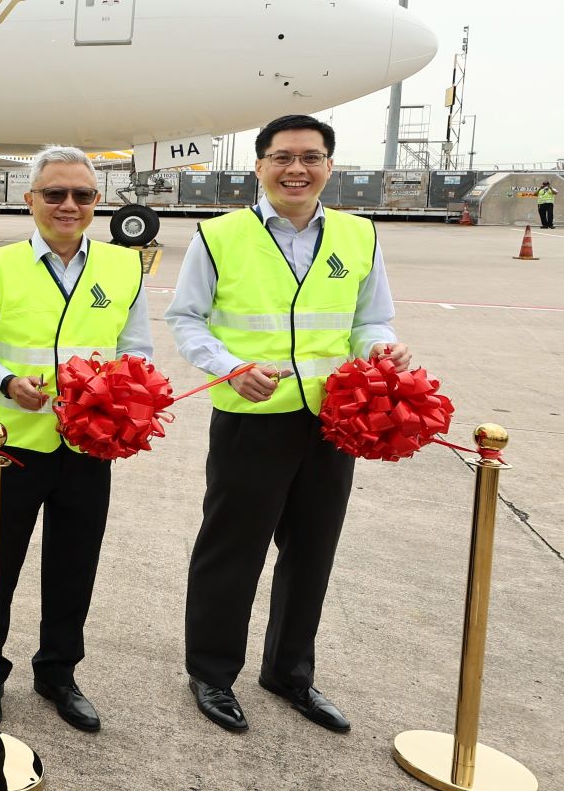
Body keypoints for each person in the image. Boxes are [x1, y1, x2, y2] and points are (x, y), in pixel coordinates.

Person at [167, 114, 408, 734]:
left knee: (312, 550)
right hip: (252, 418)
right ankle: (212, 673)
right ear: (259, 165)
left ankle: (289, 672)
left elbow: (371, 318)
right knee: (232, 550)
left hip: (334, 420)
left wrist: (380, 349)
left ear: (330, 165)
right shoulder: (218, 237)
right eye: (281, 157)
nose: (295, 168)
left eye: (309, 157)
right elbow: (187, 319)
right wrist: (228, 367)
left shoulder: (359, 235)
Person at [0, 145, 151, 733]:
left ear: (97, 203)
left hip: (90, 447)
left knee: (73, 566)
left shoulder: (123, 267)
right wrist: (7, 381)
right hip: (10, 447)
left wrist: (116, 394)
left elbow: (136, 350)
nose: (69, 205)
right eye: (55, 194)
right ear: (30, 199)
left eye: (83, 195)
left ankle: (58, 673)